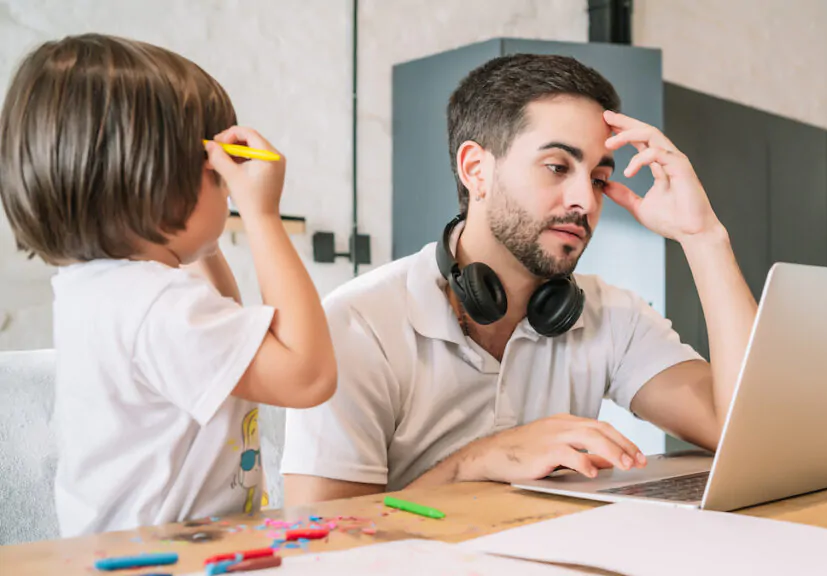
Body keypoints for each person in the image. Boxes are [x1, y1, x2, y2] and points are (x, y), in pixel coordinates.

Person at [281, 54, 757, 504]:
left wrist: (703, 237)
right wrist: (479, 461)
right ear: (476, 170)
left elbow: (745, 431)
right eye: (557, 167)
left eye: (597, 178)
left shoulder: (611, 315)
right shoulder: (357, 323)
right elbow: (326, 541)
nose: (585, 202)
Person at [0, 34, 337, 535]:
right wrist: (262, 216)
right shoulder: (155, 304)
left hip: (125, 548)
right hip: (164, 557)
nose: (227, 189)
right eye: (217, 174)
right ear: (160, 182)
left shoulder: (98, 288)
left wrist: (201, 242)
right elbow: (308, 376)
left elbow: (227, 328)